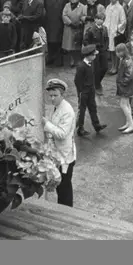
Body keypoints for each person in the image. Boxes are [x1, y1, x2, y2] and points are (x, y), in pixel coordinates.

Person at [42, 78, 77, 207]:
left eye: (55, 95)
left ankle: (67, 212)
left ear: (62, 95)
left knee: (64, 188)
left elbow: (62, 134)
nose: (52, 98)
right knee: (60, 186)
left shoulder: (67, 110)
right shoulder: (56, 107)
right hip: (58, 154)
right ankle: (63, 209)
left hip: (65, 156)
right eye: (50, 95)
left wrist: (47, 125)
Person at [74, 44, 107, 137]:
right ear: (88, 55)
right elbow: (77, 81)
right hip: (84, 92)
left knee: (93, 108)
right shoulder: (81, 66)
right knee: (82, 110)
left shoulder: (91, 63)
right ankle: (80, 128)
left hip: (91, 90)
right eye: (93, 55)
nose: (95, 56)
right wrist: (81, 91)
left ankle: (96, 125)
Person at [114, 43, 133, 134]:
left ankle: (132, 125)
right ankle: (128, 123)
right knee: (127, 104)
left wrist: (121, 82)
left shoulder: (126, 61)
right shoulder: (125, 59)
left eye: (118, 52)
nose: (116, 53)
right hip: (127, 86)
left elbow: (129, 75)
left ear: (122, 52)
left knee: (123, 105)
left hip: (126, 86)